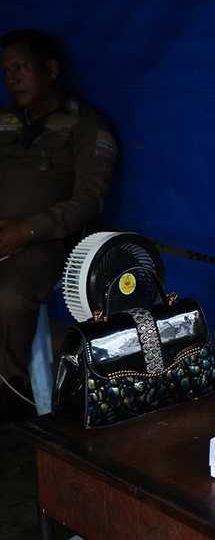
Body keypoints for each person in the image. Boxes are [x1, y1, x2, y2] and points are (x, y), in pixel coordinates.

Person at [0, 29, 117, 419]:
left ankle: (10, 394)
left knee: (11, 294)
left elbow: (89, 199)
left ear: (50, 69)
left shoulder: (86, 126)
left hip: (46, 243)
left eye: (20, 68)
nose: (11, 79)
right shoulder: (5, 122)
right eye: (6, 72)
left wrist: (28, 229)